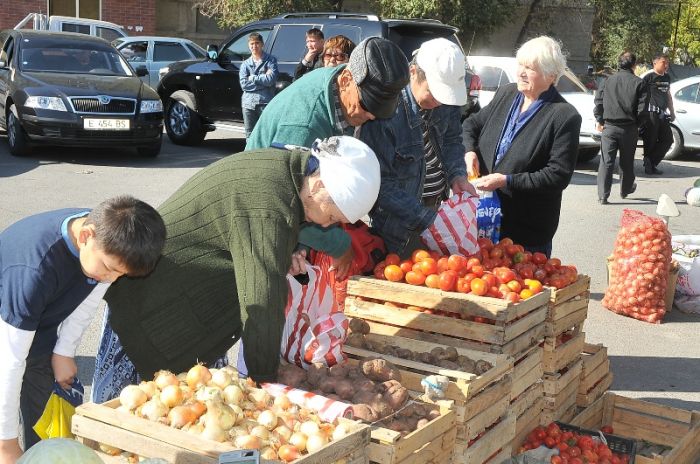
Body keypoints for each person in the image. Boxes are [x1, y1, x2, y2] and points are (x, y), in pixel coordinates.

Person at [90, 136, 381, 403]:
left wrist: (287, 250)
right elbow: (261, 301)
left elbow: (241, 234)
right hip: (151, 317)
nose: (326, 225)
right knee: (119, 424)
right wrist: (265, 383)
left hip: (190, 314)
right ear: (318, 185)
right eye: (330, 216)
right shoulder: (268, 201)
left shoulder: (290, 172)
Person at [0, 196, 165, 462]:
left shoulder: (106, 235)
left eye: (119, 275)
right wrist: (6, 443)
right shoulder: (34, 271)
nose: (111, 280)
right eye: (110, 270)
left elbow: (88, 299)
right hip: (7, 334)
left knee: (45, 434)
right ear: (86, 235)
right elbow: (8, 361)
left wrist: (63, 351)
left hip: (38, 331)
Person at [463, 36, 581, 257]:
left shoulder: (564, 116)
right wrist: (470, 150)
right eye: (520, 65)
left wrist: (506, 180)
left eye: (530, 68)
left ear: (551, 76)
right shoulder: (507, 93)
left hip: (526, 231)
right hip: (484, 221)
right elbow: (472, 124)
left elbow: (557, 175)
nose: (521, 72)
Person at [360, 38, 476, 257]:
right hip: (396, 222)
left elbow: (451, 139)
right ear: (413, 72)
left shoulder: (446, 103)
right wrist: (424, 218)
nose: (440, 102)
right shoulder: (386, 113)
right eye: (434, 93)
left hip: (437, 209)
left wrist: (457, 176)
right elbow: (380, 183)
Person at [246, 37, 410, 150]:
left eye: (379, 109)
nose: (372, 116)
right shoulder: (304, 127)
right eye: (366, 104)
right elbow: (285, 188)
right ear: (346, 80)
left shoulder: (341, 76)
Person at [594, 51, 646, 204]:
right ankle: (625, 190)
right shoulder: (639, 83)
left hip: (609, 127)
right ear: (634, 65)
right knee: (627, 161)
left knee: (606, 162)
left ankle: (603, 196)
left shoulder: (608, 80)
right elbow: (642, 110)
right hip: (629, 128)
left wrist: (600, 119)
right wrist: (637, 125)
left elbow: (598, 101)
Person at [239, 33, 279, 138]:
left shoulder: (270, 61)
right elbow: (244, 85)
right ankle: (250, 154)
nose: (254, 46)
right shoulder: (245, 64)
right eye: (252, 43)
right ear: (248, 45)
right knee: (250, 135)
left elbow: (271, 80)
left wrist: (253, 78)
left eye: (257, 43)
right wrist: (263, 80)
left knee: (266, 134)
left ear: (262, 44)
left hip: (265, 102)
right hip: (248, 104)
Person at [641, 54, 675, 175]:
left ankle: (652, 161)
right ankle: (649, 165)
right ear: (655, 63)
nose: (666, 65)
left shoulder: (667, 77)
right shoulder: (648, 76)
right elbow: (638, 93)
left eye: (667, 63)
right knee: (650, 139)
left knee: (668, 140)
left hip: (662, 114)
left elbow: (668, 95)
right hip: (650, 113)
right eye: (663, 62)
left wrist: (672, 111)